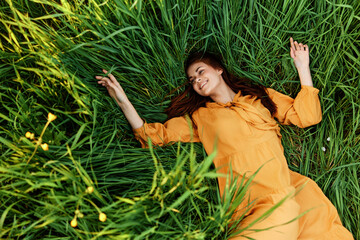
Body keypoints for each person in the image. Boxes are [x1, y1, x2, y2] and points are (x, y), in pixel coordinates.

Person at [96, 38, 353, 239]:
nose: (196, 80)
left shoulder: (259, 96)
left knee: (321, 230)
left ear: (219, 70)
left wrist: (302, 67)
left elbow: (308, 116)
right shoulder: (201, 117)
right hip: (249, 201)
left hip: (286, 189)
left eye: (200, 71)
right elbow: (154, 136)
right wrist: (122, 101)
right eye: (192, 79)